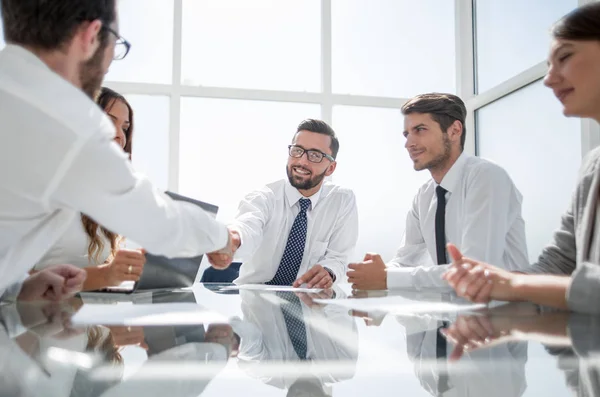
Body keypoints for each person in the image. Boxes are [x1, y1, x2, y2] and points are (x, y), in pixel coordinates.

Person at [0, 0, 236, 300]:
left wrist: (18, 285)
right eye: (115, 45)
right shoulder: (65, 123)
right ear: (91, 35)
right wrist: (221, 236)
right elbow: (159, 223)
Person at [443, 2, 600, 314]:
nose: (548, 79)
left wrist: (513, 285)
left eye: (565, 57)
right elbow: (559, 263)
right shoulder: (592, 165)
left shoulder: (485, 176)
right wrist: (493, 288)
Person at [346, 93, 528, 290]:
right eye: (407, 134)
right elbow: (406, 261)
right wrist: (378, 272)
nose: (409, 144)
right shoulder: (424, 196)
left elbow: (475, 271)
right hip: (454, 313)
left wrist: (387, 278)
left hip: (506, 312)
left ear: (454, 131)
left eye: (420, 130)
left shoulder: (487, 177)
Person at [207, 119, 358, 288]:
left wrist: (328, 272)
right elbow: (247, 225)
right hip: (256, 302)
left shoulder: (341, 200)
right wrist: (233, 239)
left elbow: (339, 258)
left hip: (310, 303)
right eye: (297, 150)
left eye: (315, 155)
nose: (302, 161)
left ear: (330, 168)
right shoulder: (264, 196)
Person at [34, 87, 146, 291]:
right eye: (109, 122)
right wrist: (104, 276)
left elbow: (102, 280)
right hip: (34, 319)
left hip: (90, 319)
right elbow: (12, 282)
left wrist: (128, 268)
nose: (120, 135)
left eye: (125, 128)